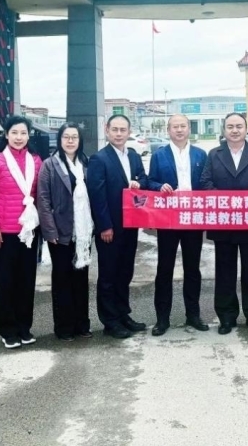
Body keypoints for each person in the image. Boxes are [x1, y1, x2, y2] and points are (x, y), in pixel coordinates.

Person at [201, 112, 248, 335]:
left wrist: (246, 201)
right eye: (230, 126)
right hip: (224, 222)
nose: (234, 130)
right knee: (225, 271)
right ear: (224, 130)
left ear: (246, 129)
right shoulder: (214, 154)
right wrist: (227, 202)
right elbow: (205, 182)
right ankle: (226, 316)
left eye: (239, 126)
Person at [0, 115, 44, 349]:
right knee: (6, 282)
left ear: (29, 135)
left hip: (29, 231)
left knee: (27, 281)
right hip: (4, 233)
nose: (19, 137)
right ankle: (8, 330)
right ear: (6, 134)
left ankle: (24, 327)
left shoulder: (36, 161)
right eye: (14, 133)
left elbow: (41, 194)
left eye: (23, 133)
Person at [86, 114, 149, 339]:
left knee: (125, 272)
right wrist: (104, 226)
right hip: (110, 228)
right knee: (108, 276)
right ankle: (110, 321)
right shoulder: (99, 159)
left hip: (131, 225)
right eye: (115, 129)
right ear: (107, 130)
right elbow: (97, 196)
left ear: (129, 131)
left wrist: (139, 183)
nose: (119, 134)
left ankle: (123, 314)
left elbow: (144, 178)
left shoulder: (133, 156)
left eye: (123, 130)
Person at [147, 114, 210, 336]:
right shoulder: (159, 155)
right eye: (175, 126)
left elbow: (206, 183)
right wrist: (159, 187)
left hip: (193, 218)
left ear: (189, 129)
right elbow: (150, 181)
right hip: (168, 219)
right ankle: (162, 319)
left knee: (192, 268)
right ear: (168, 130)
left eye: (183, 126)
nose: (180, 130)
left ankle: (193, 315)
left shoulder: (200, 154)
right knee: (164, 269)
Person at [37, 122, 93, 341]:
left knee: (81, 279)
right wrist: (50, 231)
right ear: (59, 140)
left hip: (83, 231)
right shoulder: (50, 165)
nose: (70, 141)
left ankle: (82, 324)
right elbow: (43, 200)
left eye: (74, 137)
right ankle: (64, 327)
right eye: (66, 137)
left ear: (80, 141)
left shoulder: (86, 163)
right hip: (60, 232)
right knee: (62, 280)